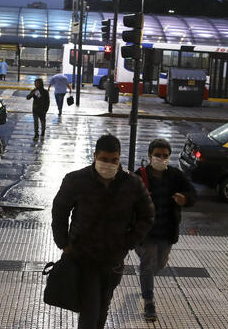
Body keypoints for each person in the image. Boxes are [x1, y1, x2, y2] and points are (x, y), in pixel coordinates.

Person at [51, 134, 154, 329]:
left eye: (114, 160)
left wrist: (129, 242)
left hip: (113, 260)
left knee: (102, 307)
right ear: (95, 156)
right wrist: (63, 243)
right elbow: (60, 210)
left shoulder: (132, 183)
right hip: (83, 257)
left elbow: (147, 215)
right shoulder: (76, 180)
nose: (109, 164)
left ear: (119, 158)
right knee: (90, 309)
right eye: (104, 159)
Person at [134, 138, 196, 322]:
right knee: (147, 263)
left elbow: (192, 193)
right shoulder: (139, 175)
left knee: (159, 264)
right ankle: (149, 301)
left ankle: (147, 280)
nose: (161, 159)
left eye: (165, 156)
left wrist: (185, 199)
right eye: (157, 155)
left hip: (167, 231)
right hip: (146, 232)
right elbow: (127, 200)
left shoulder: (175, 176)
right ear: (150, 156)